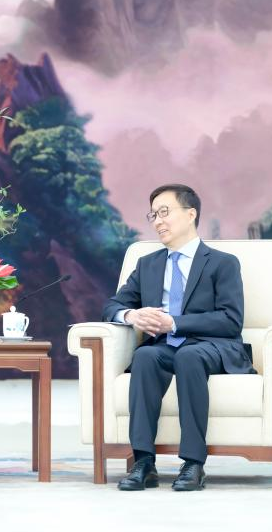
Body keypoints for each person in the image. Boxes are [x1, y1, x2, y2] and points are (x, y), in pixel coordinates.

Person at [102, 184, 254, 492]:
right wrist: (131, 316)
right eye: (153, 215)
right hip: (165, 348)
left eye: (165, 212)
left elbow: (231, 320)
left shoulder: (223, 262)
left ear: (190, 214)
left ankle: (193, 464)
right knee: (144, 356)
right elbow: (113, 305)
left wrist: (175, 323)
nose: (158, 221)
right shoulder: (148, 264)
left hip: (212, 346)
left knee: (189, 356)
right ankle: (144, 462)